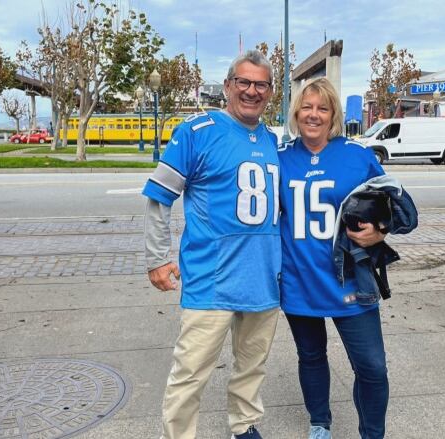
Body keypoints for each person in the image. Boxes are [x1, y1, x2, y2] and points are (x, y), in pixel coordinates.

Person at [142, 50, 280, 439]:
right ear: (228, 86)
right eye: (244, 82)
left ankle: (244, 425)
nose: (252, 91)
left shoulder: (272, 140)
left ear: (270, 91)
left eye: (261, 84)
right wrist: (157, 257)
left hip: (263, 279)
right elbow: (159, 197)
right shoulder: (196, 131)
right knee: (190, 372)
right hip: (211, 279)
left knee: (252, 364)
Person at [278, 77, 415, 439]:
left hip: (350, 279)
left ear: (334, 114)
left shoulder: (357, 156)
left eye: (322, 108)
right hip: (299, 279)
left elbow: (397, 207)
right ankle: (319, 422)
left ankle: (372, 434)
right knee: (310, 356)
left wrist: (380, 231)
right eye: (307, 107)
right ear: (296, 112)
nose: (314, 114)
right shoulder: (279, 160)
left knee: (372, 368)